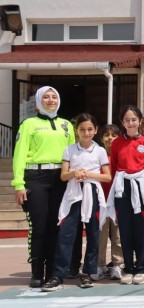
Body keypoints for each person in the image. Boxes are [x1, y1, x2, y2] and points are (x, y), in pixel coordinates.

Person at [12, 86, 76, 288]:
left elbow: (73, 154)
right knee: (39, 227)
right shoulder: (29, 124)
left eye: (54, 96)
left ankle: (53, 273)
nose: (50, 100)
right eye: (46, 97)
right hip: (36, 177)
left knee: (56, 226)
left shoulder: (66, 125)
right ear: (39, 102)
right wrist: (19, 184)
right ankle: (37, 272)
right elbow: (19, 154)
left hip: (60, 177)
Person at [41, 113, 111, 291]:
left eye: (90, 129)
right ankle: (58, 274)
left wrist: (87, 174)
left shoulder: (100, 150)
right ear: (76, 131)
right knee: (66, 234)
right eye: (82, 130)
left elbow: (107, 176)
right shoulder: (69, 149)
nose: (86, 133)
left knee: (93, 234)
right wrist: (74, 173)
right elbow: (64, 176)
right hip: (73, 196)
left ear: (95, 130)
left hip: (92, 195)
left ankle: (88, 272)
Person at [106, 105, 144, 285]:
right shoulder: (117, 143)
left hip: (140, 187)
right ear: (122, 122)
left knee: (140, 229)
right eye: (127, 120)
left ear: (140, 121)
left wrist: (143, 184)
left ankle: (141, 267)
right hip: (122, 187)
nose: (131, 123)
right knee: (125, 229)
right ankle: (128, 268)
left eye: (134, 119)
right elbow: (113, 166)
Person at [98, 124, 123, 280]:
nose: (110, 138)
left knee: (118, 236)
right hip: (101, 202)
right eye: (107, 135)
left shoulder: (121, 155)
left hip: (118, 202)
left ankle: (117, 265)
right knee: (100, 236)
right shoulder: (97, 155)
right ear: (102, 139)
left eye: (114, 135)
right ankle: (99, 265)